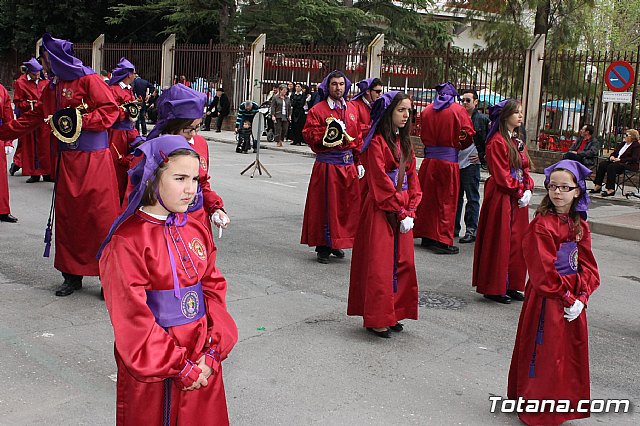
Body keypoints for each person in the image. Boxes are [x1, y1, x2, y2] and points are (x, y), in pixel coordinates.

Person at [98, 134, 237, 426]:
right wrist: (179, 366)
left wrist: (213, 352)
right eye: (180, 178)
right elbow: (132, 317)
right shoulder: (128, 241)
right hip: (159, 368)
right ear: (152, 179)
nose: (190, 189)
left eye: (195, 179)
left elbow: (213, 290)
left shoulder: (196, 230)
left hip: (202, 358)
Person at [0, 33, 120, 297]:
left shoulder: (89, 79)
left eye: (44, 59)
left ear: (53, 57)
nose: (43, 65)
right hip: (67, 161)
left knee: (100, 217)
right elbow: (33, 117)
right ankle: (72, 274)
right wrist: (4, 132)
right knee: (69, 219)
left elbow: (110, 110)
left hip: (94, 160)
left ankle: (106, 277)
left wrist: (79, 121)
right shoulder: (52, 87)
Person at [508, 159, 600, 426]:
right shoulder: (541, 225)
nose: (557, 192)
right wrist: (568, 297)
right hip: (549, 297)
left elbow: (588, 266)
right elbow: (542, 272)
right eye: (553, 187)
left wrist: (582, 297)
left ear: (577, 191)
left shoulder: (579, 225)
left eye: (565, 187)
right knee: (545, 350)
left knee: (568, 351)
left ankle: (562, 404)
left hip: (572, 296)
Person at [348, 91, 422, 338]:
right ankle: (377, 316)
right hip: (382, 209)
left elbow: (413, 179)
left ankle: (393, 312)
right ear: (389, 112)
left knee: (403, 263)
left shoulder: (406, 142)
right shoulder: (376, 143)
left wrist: (411, 208)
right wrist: (400, 211)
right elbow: (379, 181)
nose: (406, 115)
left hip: (402, 210)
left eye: (409, 110)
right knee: (380, 265)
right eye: (401, 110)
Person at [145, 83, 228, 238]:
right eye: (189, 129)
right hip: (163, 227)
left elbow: (203, 184)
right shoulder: (154, 150)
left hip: (196, 223)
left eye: (198, 127)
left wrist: (215, 208)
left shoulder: (200, 144)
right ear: (172, 125)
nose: (194, 134)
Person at [472, 99, 534, 304]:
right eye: (516, 112)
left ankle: (512, 283)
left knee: (517, 242)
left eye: (521, 112)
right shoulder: (496, 141)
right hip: (502, 197)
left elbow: (525, 168)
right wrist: (519, 190)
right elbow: (501, 175)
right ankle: (495, 286)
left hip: (517, 198)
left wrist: (528, 188)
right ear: (505, 115)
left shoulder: (517, 140)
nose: (520, 116)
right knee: (500, 240)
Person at [301, 70, 362, 263]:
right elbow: (309, 134)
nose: (338, 88)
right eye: (334, 84)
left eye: (341, 84)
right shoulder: (318, 110)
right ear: (328, 87)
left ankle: (338, 241)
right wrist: (328, 132)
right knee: (326, 207)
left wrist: (358, 161)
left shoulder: (352, 109)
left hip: (348, 165)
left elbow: (358, 136)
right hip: (328, 165)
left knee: (345, 207)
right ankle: (324, 245)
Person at [413, 82, 475, 254]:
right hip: (448, 161)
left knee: (428, 199)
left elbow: (420, 130)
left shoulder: (426, 110)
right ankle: (441, 240)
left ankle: (426, 235)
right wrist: (459, 145)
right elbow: (467, 134)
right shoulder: (458, 110)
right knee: (446, 200)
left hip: (429, 161)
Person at [454, 89, 489, 244]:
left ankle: (471, 229)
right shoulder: (457, 116)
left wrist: (481, 157)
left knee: (472, 197)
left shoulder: (481, 120)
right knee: (456, 197)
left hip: (471, 164)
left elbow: (488, 141)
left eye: (468, 100)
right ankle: (454, 227)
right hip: (456, 161)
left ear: (476, 102)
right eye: (463, 100)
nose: (465, 103)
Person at [107, 57, 141, 204]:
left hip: (130, 131)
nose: (135, 76)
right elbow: (111, 111)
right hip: (117, 134)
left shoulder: (129, 89)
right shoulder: (114, 90)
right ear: (128, 74)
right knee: (117, 164)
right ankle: (116, 196)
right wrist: (126, 111)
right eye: (134, 73)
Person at [12, 57, 52, 183]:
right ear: (29, 72)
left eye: (38, 73)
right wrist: (30, 105)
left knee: (46, 145)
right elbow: (18, 101)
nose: (37, 76)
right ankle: (35, 173)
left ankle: (47, 172)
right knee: (32, 146)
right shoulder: (20, 82)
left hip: (44, 117)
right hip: (31, 117)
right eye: (34, 74)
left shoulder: (45, 82)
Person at [590, 129, 640, 197]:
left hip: (628, 164)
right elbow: (615, 153)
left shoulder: (636, 146)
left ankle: (611, 189)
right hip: (617, 162)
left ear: (632, 137)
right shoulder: (623, 144)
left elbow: (634, 158)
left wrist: (620, 160)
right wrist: (612, 156)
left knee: (612, 167)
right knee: (603, 164)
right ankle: (598, 186)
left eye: (627, 135)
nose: (624, 136)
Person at [0, 82, 18, 223]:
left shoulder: (1, 90)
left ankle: (2, 210)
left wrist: (8, 141)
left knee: (0, 176)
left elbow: (8, 117)